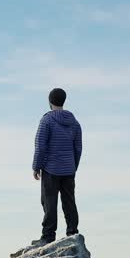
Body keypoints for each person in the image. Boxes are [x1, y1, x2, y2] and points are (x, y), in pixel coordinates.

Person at [30, 87, 81, 246]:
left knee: (49, 201)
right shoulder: (74, 122)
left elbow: (41, 146)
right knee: (69, 201)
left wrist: (36, 166)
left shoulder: (47, 120)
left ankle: (48, 236)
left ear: (50, 101)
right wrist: (73, 166)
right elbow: (78, 148)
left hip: (50, 169)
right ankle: (72, 232)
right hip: (69, 169)